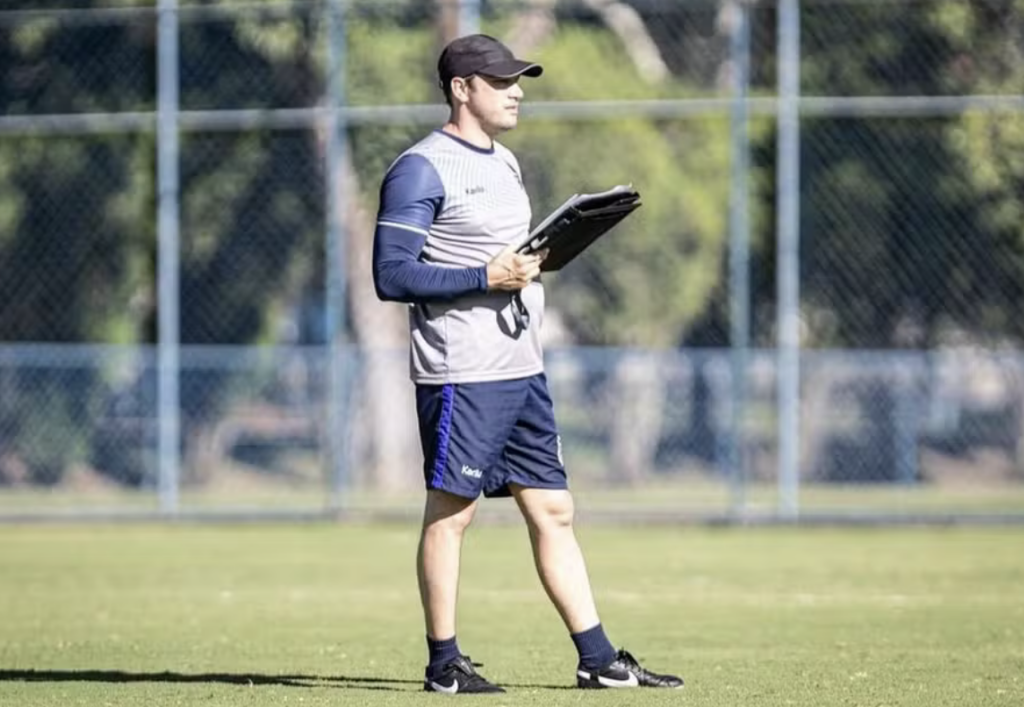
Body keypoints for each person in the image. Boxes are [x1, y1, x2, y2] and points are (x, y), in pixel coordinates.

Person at [371, 33, 684, 694]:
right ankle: (444, 664)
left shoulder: (507, 163)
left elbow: (508, 261)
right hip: (464, 371)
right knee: (453, 514)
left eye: (519, 80)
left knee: (554, 509)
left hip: (521, 367)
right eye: (502, 81)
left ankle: (597, 659)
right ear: (462, 89)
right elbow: (391, 274)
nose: (517, 91)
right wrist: (488, 273)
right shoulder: (420, 168)